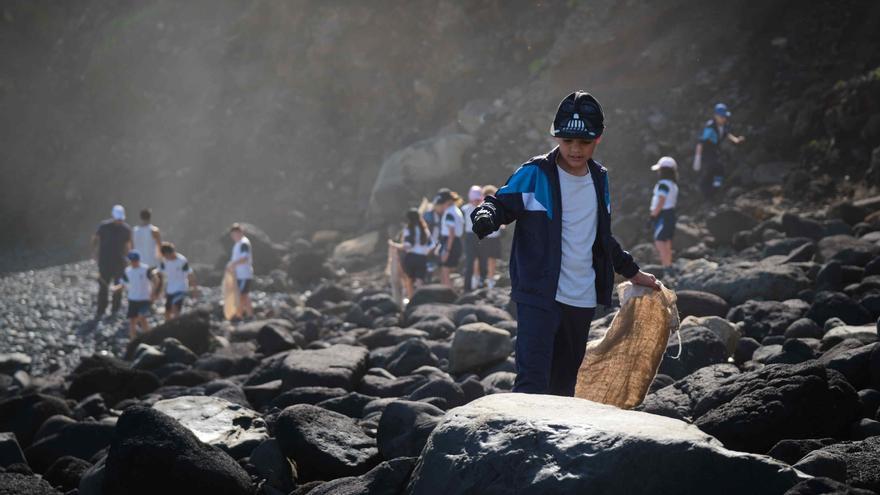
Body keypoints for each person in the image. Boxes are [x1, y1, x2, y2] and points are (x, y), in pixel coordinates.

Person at [470, 91, 660, 397]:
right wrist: (486, 215)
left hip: (581, 299)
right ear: (557, 137)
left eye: (584, 142)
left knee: (563, 387)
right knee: (531, 382)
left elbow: (600, 236)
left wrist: (633, 272)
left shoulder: (599, 179)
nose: (574, 149)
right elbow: (501, 205)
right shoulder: (535, 174)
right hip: (538, 294)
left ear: (598, 139)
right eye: (567, 141)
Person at [693, 102, 746, 199]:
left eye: (725, 117)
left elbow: (727, 134)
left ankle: (716, 188)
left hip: (715, 150)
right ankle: (706, 193)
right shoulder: (710, 127)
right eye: (722, 117)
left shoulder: (723, 125)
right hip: (706, 152)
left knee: (719, 169)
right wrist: (697, 158)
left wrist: (736, 140)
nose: (724, 119)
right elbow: (701, 143)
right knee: (712, 169)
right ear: (716, 116)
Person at [91, 204, 132, 318]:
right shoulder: (104, 226)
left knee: (118, 286)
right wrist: (94, 252)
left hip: (120, 262)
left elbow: (128, 245)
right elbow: (95, 238)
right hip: (104, 261)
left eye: (121, 219)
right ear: (113, 216)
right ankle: (101, 309)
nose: (119, 221)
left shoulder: (126, 229)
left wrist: (129, 257)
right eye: (118, 219)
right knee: (103, 285)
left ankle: (115, 309)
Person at [389, 208, 435, 301]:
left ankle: (411, 299)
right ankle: (420, 299)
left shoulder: (408, 229)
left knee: (409, 280)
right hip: (422, 258)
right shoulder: (424, 230)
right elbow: (432, 245)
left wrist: (394, 245)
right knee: (419, 280)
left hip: (411, 257)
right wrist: (426, 253)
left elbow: (407, 245)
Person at [111, 250, 157, 339]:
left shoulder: (145, 269)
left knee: (142, 317)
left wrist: (153, 293)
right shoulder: (128, 271)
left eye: (132, 260)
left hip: (144, 298)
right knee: (132, 320)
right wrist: (115, 288)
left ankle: (149, 337)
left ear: (137, 260)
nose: (131, 262)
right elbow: (123, 284)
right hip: (133, 299)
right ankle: (133, 339)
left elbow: (156, 280)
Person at [649, 156, 680, 268]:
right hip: (671, 213)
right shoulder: (673, 184)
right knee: (667, 241)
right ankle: (668, 265)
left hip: (663, 215)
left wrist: (653, 216)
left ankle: (666, 266)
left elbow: (661, 200)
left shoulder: (663, 184)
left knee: (659, 241)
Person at [157, 242, 198, 321]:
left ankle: (176, 327)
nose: (166, 257)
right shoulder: (164, 261)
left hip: (180, 288)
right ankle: (168, 328)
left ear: (170, 252)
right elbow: (159, 272)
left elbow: (190, 275)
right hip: (170, 289)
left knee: (175, 308)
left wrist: (194, 290)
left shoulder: (182, 260)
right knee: (167, 311)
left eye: (166, 255)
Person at [460, 185, 488, 291]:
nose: (476, 202)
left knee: (483, 261)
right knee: (469, 263)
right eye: (474, 199)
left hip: (482, 236)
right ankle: (467, 287)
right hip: (469, 237)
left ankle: (482, 283)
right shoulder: (464, 209)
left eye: (478, 199)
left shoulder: (485, 208)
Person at [477, 184, 503, 288]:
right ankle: (483, 278)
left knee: (492, 259)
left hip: (495, 237)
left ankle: (490, 279)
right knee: (483, 259)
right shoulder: (481, 206)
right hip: (485, 237)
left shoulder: (498, 205)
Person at [437, 189, 464, 288]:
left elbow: (451, 233)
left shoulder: (449, 213)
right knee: (446, 270)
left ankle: (447, 294)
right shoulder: (456, 210)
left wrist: (447, 251)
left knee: (445, 271)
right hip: (455, 242)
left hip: (450, 242)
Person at [227, 223, 254, 319]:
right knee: (245, 295)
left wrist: (232, 264)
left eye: (237, 233)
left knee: (242, 295)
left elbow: (245, 258)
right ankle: (250, 315)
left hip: (244, 274)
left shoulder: (244, 243)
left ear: (241, 232)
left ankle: (238, 315)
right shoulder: (238, 244)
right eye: (233, 234)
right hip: (239, 274)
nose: (235, 235)